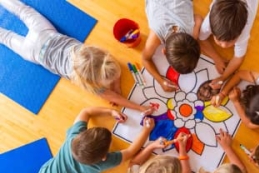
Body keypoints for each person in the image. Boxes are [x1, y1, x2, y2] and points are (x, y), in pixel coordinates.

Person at [0, 0, 153, 114]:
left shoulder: (91, 54)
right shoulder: (88, 83)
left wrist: (117, 87)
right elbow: (116, 99)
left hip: (44, 35)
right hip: (33, 52)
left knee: (23, 11)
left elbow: (111, 72)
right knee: (6, 36)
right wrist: (140, 107)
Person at [0, 107, 155, 173]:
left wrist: (109, 111)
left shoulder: (72, 140)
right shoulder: (103, 163)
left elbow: (85, 111)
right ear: (103, 156)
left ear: (80, 136)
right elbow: (130, 151)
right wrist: (146, 129)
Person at [142, 0, 203, 92]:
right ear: (164, 51)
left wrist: (194, 36)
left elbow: (198, 18)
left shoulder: (190, 30)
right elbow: (144, 59)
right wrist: (160, 81)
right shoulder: (157, 33)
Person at [200, 0, 259, 86]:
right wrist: (216, 58)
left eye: (231, 40)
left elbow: (239, 58)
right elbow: (201, 39)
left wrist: (223, 77)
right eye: (218, 39)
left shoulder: (243, 31)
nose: (224, 46)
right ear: (212, 29)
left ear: (239, 33)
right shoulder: (209, 22)